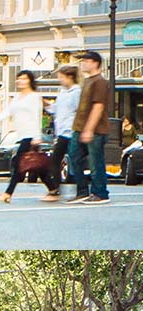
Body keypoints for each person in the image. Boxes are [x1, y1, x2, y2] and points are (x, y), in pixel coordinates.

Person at [0, 70, 48, 203]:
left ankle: (8, 193)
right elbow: (6, 113)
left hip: (31, 137)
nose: (20, 81)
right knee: (36, 166)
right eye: (19, 79)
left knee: (18, 165)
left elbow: (37, 116)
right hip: (22, 135)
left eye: (24, 79)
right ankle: (53, 189)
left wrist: (37, 136)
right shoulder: (17, 98)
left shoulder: (34, 97)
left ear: (30, 80)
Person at [67, 51, 111, 204]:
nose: (83, 63)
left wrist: (89, 129)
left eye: (86, 61)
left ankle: (100, 193)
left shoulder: (100, 82)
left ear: (95, 63)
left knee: (95, 161)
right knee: (74, 156)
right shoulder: (87, 81)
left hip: (96, 130)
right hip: (79, 127)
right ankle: (82, 190)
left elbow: (98, 107)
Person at [42, 65, 81, 202]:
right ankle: (56, 189)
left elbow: (79, 111)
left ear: (70, 77)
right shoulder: (62, 92)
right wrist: (46, 104)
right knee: (55, 160)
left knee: (74, 160)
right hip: (62, 132)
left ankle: (82, 190)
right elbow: (56, 110)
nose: (60, 80)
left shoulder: (77, 92)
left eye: (61, 77)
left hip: (72, 131)